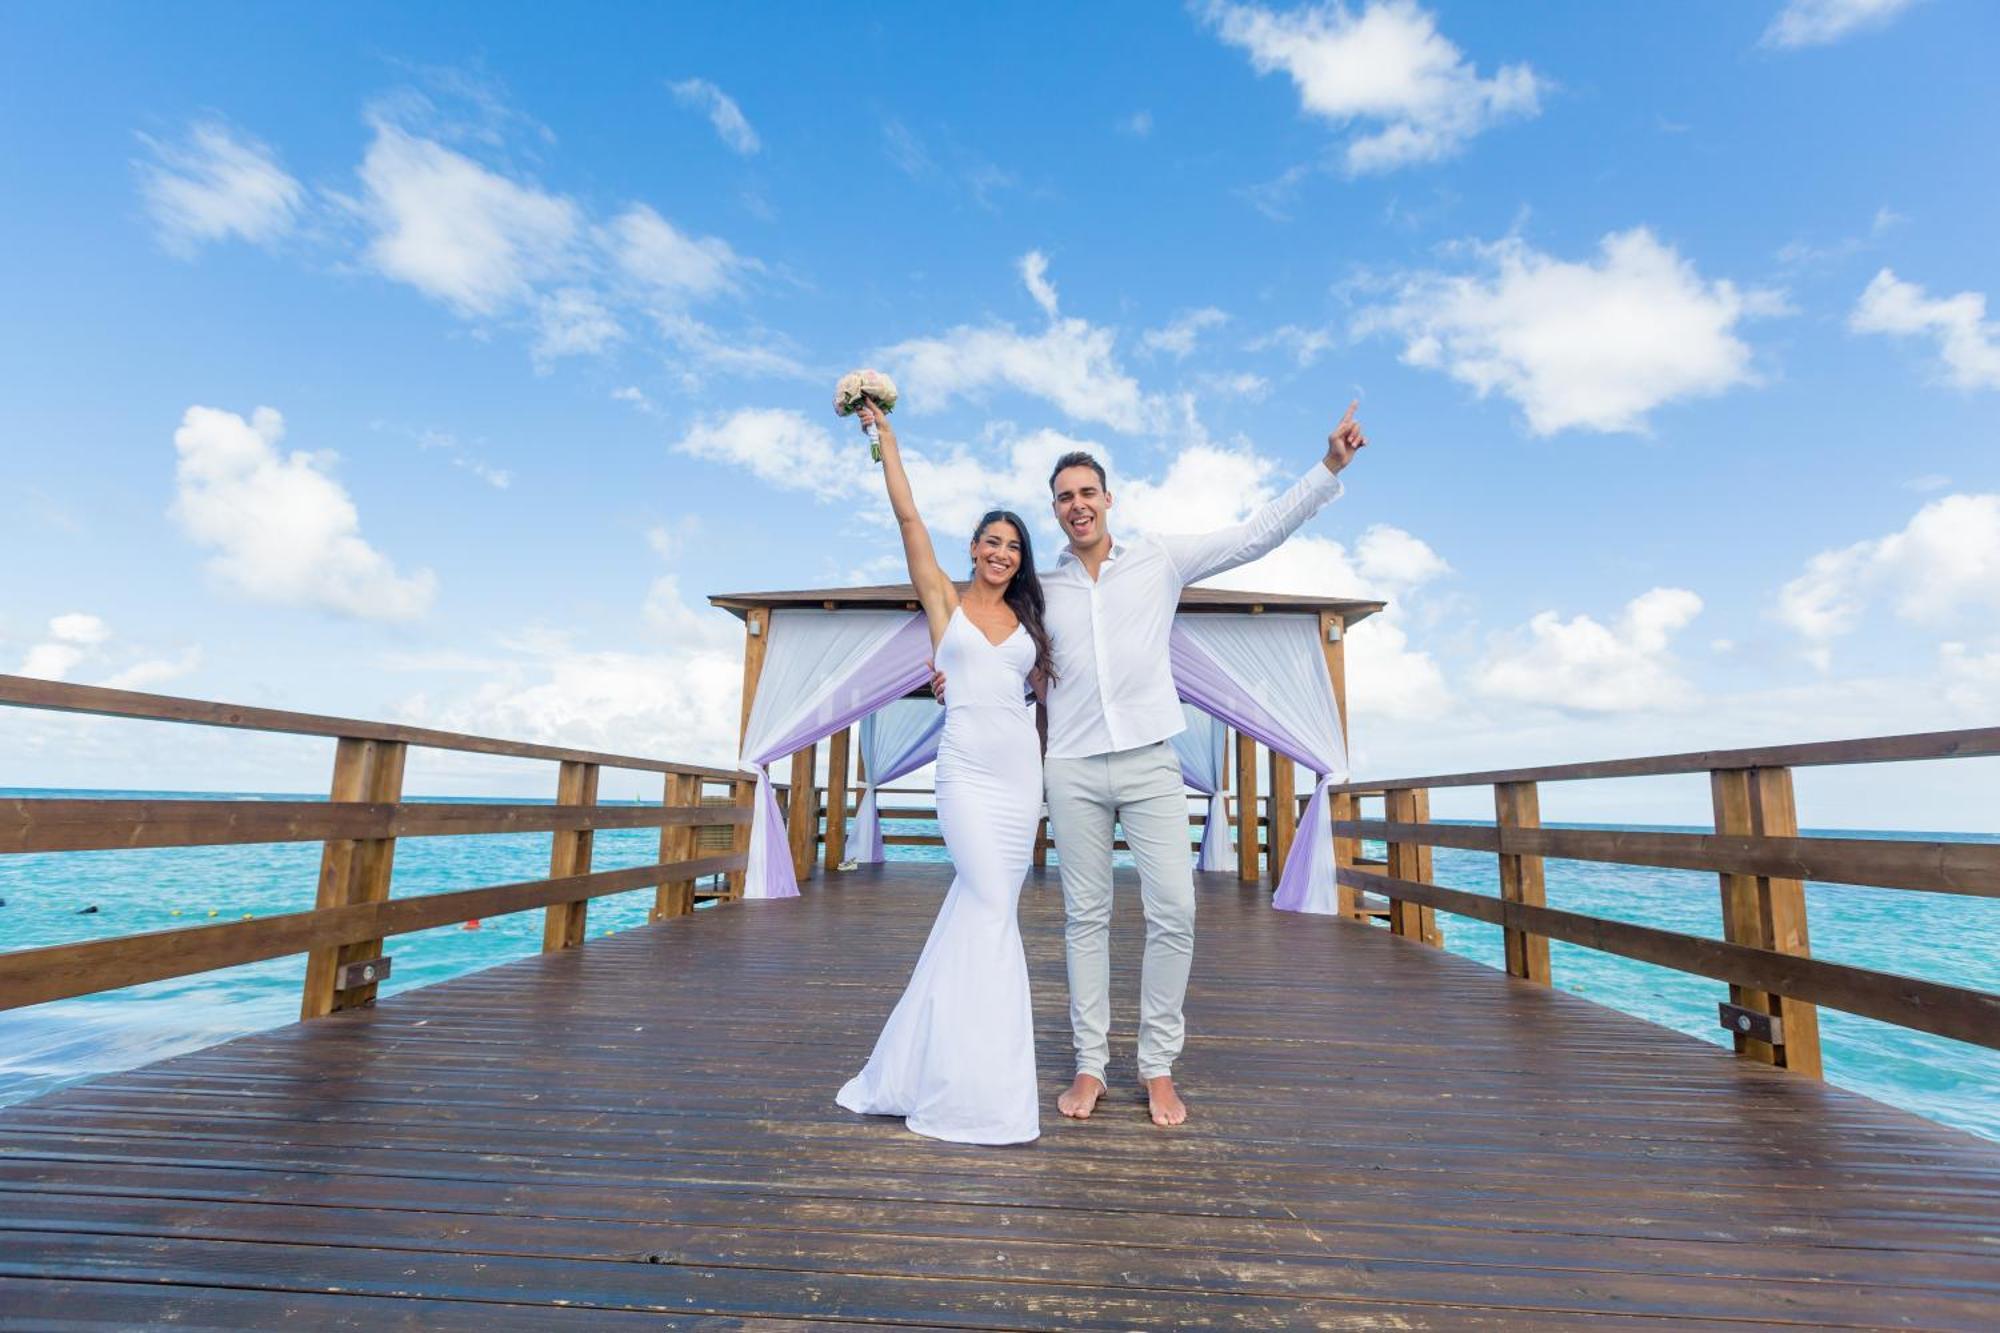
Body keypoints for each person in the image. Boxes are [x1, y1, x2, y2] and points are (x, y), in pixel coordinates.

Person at [939, 403, 1368, 1126]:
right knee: (1086, 917)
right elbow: (984, 639)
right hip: (1071, 767)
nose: (1077, 505)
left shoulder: (1160, 559)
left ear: (1109, 499)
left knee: (1174, 908)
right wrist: (947, 674)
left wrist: (1327, 467)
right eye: (1065, 497)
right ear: (1056, 510)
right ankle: (1089, 1064)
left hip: (1149, 761)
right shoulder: (1038, 588)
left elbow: (1256, 532)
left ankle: (1158, 1065)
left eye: (1087, 492)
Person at [835, 401, 1053, 1145]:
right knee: (990, 906)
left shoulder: (1032, 624)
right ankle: (977, 1090)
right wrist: (885, 439)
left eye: (1012, 547)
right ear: (973, 547)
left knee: (981, 913)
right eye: (991, 542)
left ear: (1022, 559)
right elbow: (908, 523)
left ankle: (918, 1063)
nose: (1000, 553)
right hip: (963, 775)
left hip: (1021, 779)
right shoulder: (945, 603)